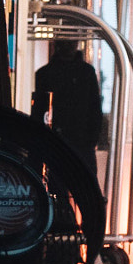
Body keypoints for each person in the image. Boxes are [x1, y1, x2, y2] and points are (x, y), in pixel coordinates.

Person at [32, 39, 104, 170]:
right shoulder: (86, 73)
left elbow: (95, 111)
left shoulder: (45, 73)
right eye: (66, 41)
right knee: (80, 185)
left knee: (59, 183)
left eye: (71, 41)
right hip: (67, 143)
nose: (69, 45)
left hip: (61, 143)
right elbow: (95, 110)